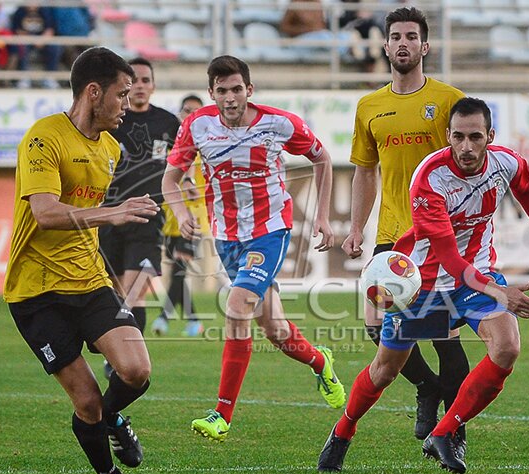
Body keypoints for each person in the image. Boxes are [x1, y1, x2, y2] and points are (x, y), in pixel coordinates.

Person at [318, 96, 529, 474]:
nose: (466, 147)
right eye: (458, 137)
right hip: (421, 284)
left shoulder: (507, 162)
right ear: (448, 136)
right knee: (385, 371)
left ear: (491, 135)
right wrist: (500, 292)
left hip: (476, 277)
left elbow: (525, 186)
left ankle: (445, 432)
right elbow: (449, 259)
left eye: (475, 137)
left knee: (506, 347)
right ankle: (342, 432)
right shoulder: (430, 178)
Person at [162, 55, 345, 442]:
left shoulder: (279, 123)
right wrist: (180, 211)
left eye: (237, 89)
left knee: (236, 306)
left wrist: (323, 218)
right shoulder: (197, 125)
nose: (230, 98)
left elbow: (322, 159)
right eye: (222, 91)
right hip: (226, 236)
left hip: (270, 231)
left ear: (250, 89)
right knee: (275, 329)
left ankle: (221, 413)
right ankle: (320, 361)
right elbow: (170, 179)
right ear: (212, 93)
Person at [4, 46, 158, 474]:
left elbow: (83, 219)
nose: (126, 105)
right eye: (121, 94)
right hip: (36, 292)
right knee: (85, 399)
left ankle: (111, 418)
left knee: (136, 370)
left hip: (89, 281)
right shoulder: (43, 138)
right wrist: (113, 214)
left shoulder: (110, 147)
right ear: (94, 92)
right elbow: (48, 214)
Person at [341, 6, 468, 443]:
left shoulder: (450, 101)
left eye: (411, 36)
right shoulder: (369, 106)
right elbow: (364, 170)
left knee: (445, 335)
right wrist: (357, 228)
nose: (402, 43)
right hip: (393, 236)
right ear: (385, 45)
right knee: (376, 326)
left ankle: (454, 432)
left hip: (441, 237)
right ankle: (426, 388)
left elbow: (472, 164)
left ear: (424, 46)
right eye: (395, 36)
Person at [98, 56, 180, 379]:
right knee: (120, 295)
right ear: (125, 88)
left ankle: (128, 358)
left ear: (154, 86)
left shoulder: (169, 123)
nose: (141, 87)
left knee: (135, 292)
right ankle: (122, 356)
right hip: (111, 217)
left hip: (149, 218)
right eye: (135, 82)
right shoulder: (112, 121)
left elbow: (181, 165)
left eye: (147, 80)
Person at [151, 94, 208, 338]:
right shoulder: (172, 143)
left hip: (193, 217)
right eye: (187, 110)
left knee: (178, 269)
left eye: (196, 111)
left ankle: (164, 317)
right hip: (170, 217)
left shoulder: (208, 144)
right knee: (178, 272)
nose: (190, 115)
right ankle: (194, 320)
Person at [7, 5, 62, 89]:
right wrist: (32, 39)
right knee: (20, 46)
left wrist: (42, 40)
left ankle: (50, 77)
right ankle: (24, 77)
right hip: (26, 40)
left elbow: (50, 30)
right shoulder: (20, 11)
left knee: (54, 47)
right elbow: (17, 31)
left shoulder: (45, 10)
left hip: (42, 40)